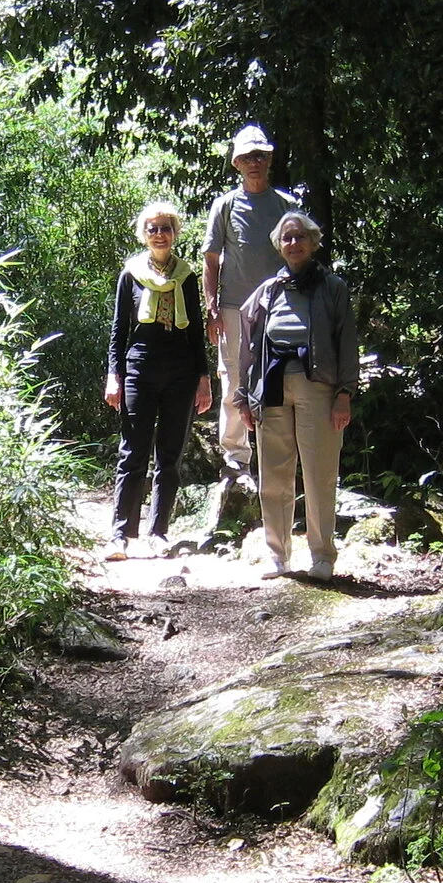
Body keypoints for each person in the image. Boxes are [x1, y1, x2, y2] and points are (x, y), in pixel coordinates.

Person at [235, 210, 358, 580]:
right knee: (273, 474)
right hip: (271, 386)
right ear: (279, 245)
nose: (293, 243)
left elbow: (346, 342)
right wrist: (244, 395)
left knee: (320, 473)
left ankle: (322, 557)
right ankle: (278, 556)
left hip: (318, 387)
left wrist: (344, 394)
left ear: (312, 241)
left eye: (299, 236)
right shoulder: (269, 290)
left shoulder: (332, 286)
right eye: (286, 238)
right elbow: (249, 344)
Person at [104, 201, 215, 554]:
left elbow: (195, 331)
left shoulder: (186, 276)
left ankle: (159, 532)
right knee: (132, 452)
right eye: (152, 228)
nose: (159, 234)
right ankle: (121, 534)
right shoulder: (131, 273)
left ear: (174, 233)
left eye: (165, 227)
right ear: (144, 234)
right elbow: (119, 330)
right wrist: (114, 374)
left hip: (180, 372)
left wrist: (203, 377)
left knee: (170, 455)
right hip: (139, 369)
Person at [203, 125, 305, 469]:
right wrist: (211, 307)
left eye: (260, 155)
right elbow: (211, 258)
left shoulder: (285, 204)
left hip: (279, 306)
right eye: (247, 157)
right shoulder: (226, 205)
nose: (254, 162)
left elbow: (300, 255)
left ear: (269, 159)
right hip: (233, 306)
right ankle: (235, 458)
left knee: (278, 376)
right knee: (234, 378)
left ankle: (274, 458)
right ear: (237, 163)